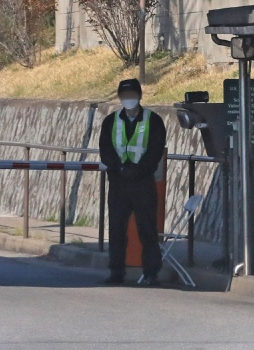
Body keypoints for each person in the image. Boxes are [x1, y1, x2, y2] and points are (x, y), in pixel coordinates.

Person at [99, 79, 166, 286]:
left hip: (143, 182)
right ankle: (116, 272)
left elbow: (155, 151)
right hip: (119, 183)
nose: (129, 99)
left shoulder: (153, 121)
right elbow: (106, 149)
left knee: (147, 229)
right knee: (117, 230)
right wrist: (119, 168)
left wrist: (138, 170)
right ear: (120, 98)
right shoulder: (110, 121)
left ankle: (151, 273)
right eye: (125, 95)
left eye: (132, 95)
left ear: (139, 96)